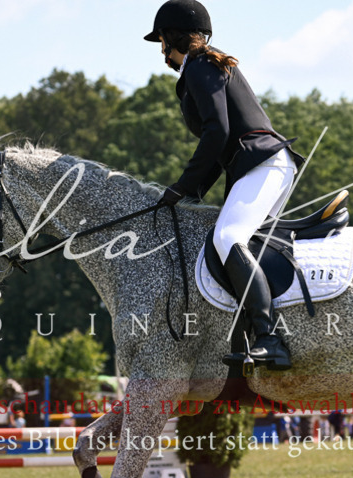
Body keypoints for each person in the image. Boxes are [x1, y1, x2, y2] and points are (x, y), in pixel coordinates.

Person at [145, 0, 304, 371]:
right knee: (237, 242)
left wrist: (183, 186)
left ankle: (269, 339)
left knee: (228, 237)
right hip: (259, 164)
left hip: (263, 163)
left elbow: (218, 133)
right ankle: (249, 332)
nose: (161, 53)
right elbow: (220, 146)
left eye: (161, 42)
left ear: (171, 37)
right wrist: (192, 193)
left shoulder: (200, 65)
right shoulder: (206, 63)